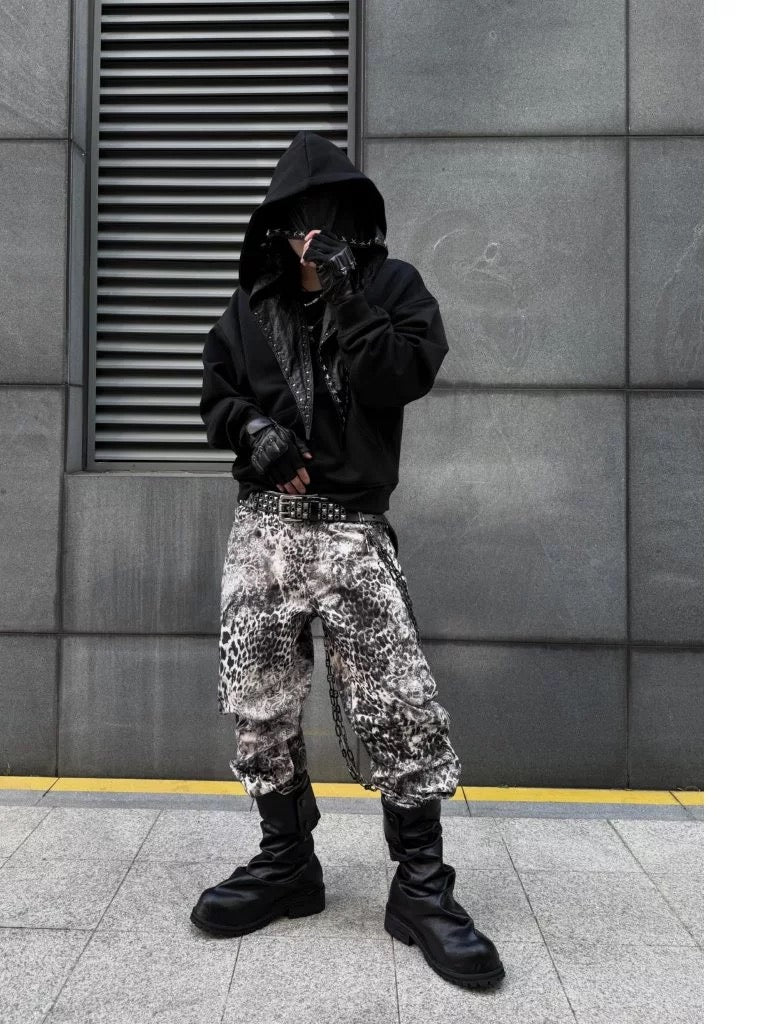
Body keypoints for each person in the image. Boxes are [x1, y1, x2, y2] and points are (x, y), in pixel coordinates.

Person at [192, 130, 505, 990]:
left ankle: (422, 889)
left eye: (327, 212)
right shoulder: (250, 305)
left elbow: (398, 377)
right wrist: (251, 431)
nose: (310, 228)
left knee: (398, 702)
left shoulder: (392, 286)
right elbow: (216, 392)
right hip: (265, 530)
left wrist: (347, 292)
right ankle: (288, 863)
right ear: (274, 222)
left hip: (353, 528)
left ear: (353, 216)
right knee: (257, 705)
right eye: (297, 215)